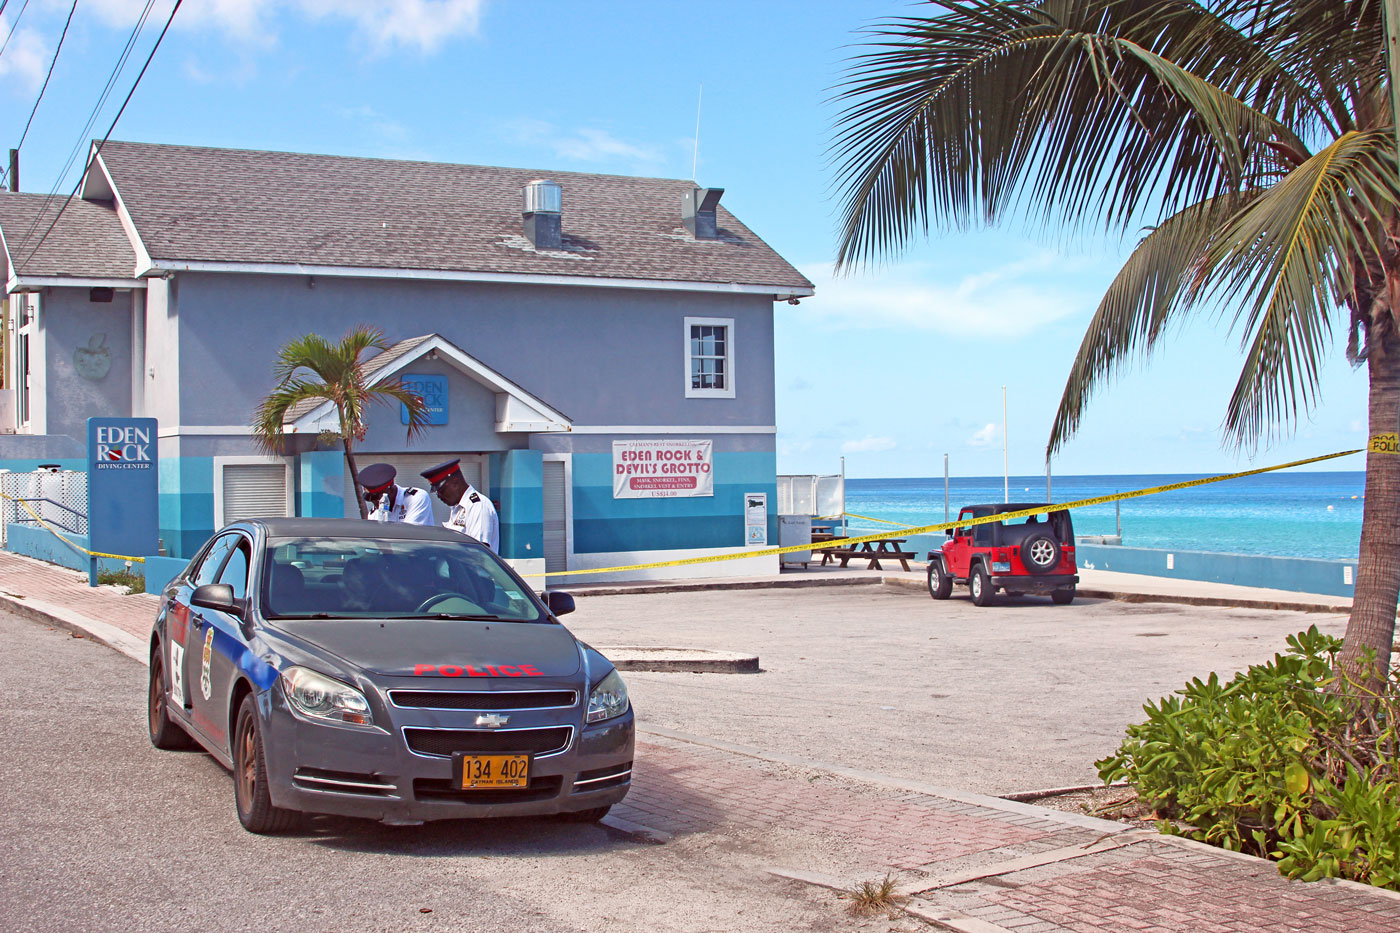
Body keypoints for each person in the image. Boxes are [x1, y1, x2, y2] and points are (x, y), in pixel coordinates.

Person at [421, 458, 499, 552]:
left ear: (455, 483)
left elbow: (479, 552)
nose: (439, 496)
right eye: (437, 493)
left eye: (441, 491)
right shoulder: (457, 508)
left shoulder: (478, 506)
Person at [357, 463, 433, 526]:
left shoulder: (416, 497)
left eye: (377, 499)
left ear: (389, 489)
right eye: (372, 500)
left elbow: (410, 535)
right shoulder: (374, 514)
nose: (376, 505)